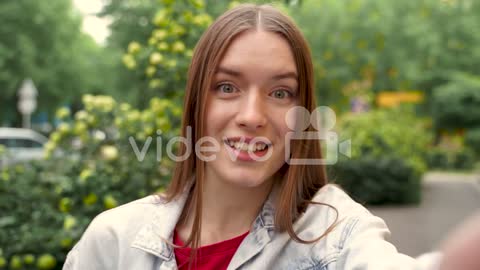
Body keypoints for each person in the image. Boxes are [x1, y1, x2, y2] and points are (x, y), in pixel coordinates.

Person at [63, 4, 480, 270]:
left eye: (280, 93)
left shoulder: (336, 234)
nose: (252, 116)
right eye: (227, 87)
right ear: (195, 103)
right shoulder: (113, 242)